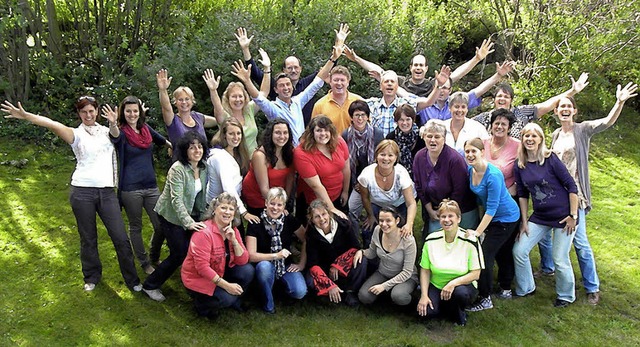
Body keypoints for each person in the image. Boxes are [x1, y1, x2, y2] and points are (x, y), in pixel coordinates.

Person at [2, 97, 142, 292]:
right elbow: (52, 124)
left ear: (97, 110)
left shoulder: (106, 131)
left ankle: (133, 280)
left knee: (120, 237)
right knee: (88, 238)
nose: (88, 115)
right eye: (84, 112)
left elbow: (119, 135)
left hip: (107, 192)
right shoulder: (75, 134)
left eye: (91, 111)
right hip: (82, 192)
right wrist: (26, 116)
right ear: (79, 114)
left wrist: (112, 122)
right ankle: (92, 276)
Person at [536, 82, 637, 306]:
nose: (564, 109)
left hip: (577, 195)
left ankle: (592, 287)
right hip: (556, 195)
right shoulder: (554, 134)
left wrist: (619, 102)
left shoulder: (582, 130)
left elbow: (606, 122)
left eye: (568, 107)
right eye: (560, 106)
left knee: (580, 242)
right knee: (544, 234)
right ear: (556, 111)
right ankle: (548, 268)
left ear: (574, 111)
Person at [512, 123, 579, 308]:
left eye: (534, 136)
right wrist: (524, 222)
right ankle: (526, 287)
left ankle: (565, 296)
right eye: (526, 136)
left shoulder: (551, 159)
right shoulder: (520, 165)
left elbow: (571, 186)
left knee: (559, 258)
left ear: (540, 139)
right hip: (540, 216)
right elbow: (523, 194)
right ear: (522, 139)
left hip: (564, 217)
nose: (530, 139)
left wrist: (573, 215)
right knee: (519, 250)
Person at [106, 96, 171, 275]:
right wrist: (112, 123)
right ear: (123, 113)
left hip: (151, 186)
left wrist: (173, 146)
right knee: (136, 226)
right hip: (130, 189)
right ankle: (144, 263)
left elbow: (159, 139)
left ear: (140, 112)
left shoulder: (145, 129)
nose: (132, 114)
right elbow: (115, 136)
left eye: (135, 111)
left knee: (161, 224)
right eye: (128, 111)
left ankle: (154, 254)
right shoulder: (122, 132)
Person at [236, 24, 350, 126]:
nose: (293, 71)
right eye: (290, 68)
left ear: (300, 69)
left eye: (296, 67)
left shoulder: (299, 98)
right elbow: (256, 79)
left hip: (306, 138)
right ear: (284, 70)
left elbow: (323, 75)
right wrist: (246, 50)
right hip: (282, 140)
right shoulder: (275, 94)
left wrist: (338, 47)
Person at [141, 131, 209, 302]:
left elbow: (201, 196)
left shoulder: (203, 167)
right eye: (192, 147)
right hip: (170, 215)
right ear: (185, 150)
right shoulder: (177, 169)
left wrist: (201, 217)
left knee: (180, 246)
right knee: (179, 253)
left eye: (199, 147)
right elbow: (176, 200)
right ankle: (150, 285)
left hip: (189, 214)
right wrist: (189, 223)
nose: (197, 151)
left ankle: (156, 257)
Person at [232, 44, 339, 146]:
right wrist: (247, 81)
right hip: (284, 154)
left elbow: (317, 81)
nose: (286, 88)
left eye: (288, 84)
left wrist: (333, 58)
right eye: (282, 86)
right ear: (276, 90)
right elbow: (258, 97)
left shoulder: (297, 101)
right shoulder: (273, 108)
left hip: (302, 151)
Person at [462, 138, 520, 312]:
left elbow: (492, 208)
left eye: (474, 151)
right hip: (491, 217)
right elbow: (481, 200)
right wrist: (482, 224)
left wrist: (478, 232)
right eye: (467, 151)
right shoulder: (470, 170)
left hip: (507, 217)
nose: (470, 155)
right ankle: (505, 288)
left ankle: (485, 297)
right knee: (500, 251)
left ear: (482, 152)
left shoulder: (493, 175)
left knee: (484, 255)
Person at [181, 192, 254, 319]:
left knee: (248, 270)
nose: (227, 212)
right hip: (199, 278)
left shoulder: (233, 230)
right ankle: (202, 305)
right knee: (227, 298)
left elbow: (243, 260)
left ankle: (233, 299)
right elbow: (202, 268)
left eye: (231, 209)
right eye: (223, 207)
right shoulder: (204, 233)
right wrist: (227, 286)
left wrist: (234, 241)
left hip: (220, 271)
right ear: (214, 209)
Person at [344, 39, 495, 97]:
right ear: (410, 68)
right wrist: (356, 58)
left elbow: (456, 75)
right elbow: (380, 71)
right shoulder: (401, 82)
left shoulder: (432, 84)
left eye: (421, 65)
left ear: (426, 68)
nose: (418, 68)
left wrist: (477, 58)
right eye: (415, 65)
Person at [417, 200, 484, 326]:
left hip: (462, 286)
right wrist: (424, 295)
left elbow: (476, 274)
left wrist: (453, 284)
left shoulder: (470, 240)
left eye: (450, 216)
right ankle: (442, 305)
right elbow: (425, 270)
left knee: (460, 294)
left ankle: (458, 311)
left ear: (458, 219)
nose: (446, 220)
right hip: (437, 284)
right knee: (427, 313)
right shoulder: (431, 239)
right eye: (443, 216)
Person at [246, 188, 307, 313]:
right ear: (266, 203)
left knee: (300, 291)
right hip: (264, 264)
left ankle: (279, 290)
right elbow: (251, 255)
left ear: (284, 206)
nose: (275, 208)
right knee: (264, 268)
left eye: (279, 205)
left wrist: (301, 264)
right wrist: (276, 255)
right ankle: (268, 304)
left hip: (285, 265)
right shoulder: (256, 222)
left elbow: (307, 239)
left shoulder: (288, 220)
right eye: (272, 203)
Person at [472, 73, 590, 139]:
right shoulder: (484, 118)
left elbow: (548, 104)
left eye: (506, 97)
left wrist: (572, 91)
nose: (502, 99)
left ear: (511, 100)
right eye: (499, 96)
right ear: (494, 99)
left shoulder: (521, 112)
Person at [413, 120, 478, 236]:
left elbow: (460, 191)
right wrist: (430, 210)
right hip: (434, 209)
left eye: (437, 137)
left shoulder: (454, 159)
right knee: (434, 239)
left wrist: (444, 212)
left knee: (463, 241)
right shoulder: (419, 157)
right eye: (429, 136)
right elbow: (419, 186)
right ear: (424, 137)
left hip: (461, 208)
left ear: (444, 139)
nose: (432, 140)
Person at [305, 199, 367, 306]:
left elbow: (355, 247)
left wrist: (338, 265)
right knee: (310, 280)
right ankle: (332, 293)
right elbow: (312, 263)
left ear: (329, 213)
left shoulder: (344, 225)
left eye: (324, 214)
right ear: (312, 219)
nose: (322, 219)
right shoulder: (311, 234)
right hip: (325, 269)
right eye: (317, 216)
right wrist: (329, 285)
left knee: (362, 260)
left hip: (345, 265)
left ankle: (350, 292)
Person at [353, 207, 418, 306]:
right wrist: (361, 252)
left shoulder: (408, 240)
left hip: (405, 277)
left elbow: (407, 272)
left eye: (388, 221)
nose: (384, 224)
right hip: (383, 273)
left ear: (397, 220)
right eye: (381, 220)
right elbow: (372, 253)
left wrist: (384, 286)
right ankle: (387, 295)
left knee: (399, 296)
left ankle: (412, 298)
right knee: (364, 296)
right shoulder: (378, 230)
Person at [357, 140, 417, 246]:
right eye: (382, 154)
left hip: (400, 204)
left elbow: (411, 203)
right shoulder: (365, 175)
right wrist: (371, 216)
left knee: (402, 233)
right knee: (368, 231)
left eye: (390, 155)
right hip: (378, 204)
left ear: (396, 158)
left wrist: (409, 224)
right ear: (376, 156)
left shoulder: (401, 174)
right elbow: (365, 198)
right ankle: (370, 255)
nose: (386, 158)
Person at [202, 60, 270, 154]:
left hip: (253, 162)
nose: (238, 100)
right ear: (228, 99)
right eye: (234, 96)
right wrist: (213, 90)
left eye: (240, 96)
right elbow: (217, 107)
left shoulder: (249, 109)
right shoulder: (224, 117)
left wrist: (267, 69)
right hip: (234, 162)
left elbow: (264, 94)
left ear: (245, 97)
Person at [417, 61, 515, 124]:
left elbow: (480, 90)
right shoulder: (424, 105)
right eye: (439, 87)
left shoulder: (458, 103)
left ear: (450, 90)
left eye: (445, 88)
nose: (441, 91)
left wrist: (498, 75)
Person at [343, 101, 385, 244]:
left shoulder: (377, 134)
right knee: (352, 209)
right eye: (356, 115)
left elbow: (382, 160)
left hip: (374, 181)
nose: (360, 118)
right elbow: (347, 163)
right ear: (351, 118)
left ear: (368, 117)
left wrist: (367, 183)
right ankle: (355, 241)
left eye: (363, 115)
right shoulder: (345, 135)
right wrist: (356, 183)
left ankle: (373, 242)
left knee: (374, 211)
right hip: (356, 183)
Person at [294, 115, 350, 221]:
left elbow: (346, 167)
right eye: (319, 130)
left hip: (337, 194)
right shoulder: (301, 153)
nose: (323, 134)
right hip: (314, 202)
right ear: (311, 133)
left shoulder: (339, 141)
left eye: (326, 130)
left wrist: (345, 191)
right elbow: (316, 186)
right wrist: (332, 209)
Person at [206, 118, 260, 227]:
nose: (236, 137)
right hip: (217, 209)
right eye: (231, 134)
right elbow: (228, 187)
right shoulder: (218, 157)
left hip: (232, 206)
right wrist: (244, 212)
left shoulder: (237, 153)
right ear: (224, 135)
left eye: (238, 133)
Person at [156, 69, 217, 156]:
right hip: (182, 167)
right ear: (175, 102)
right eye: (180, 100)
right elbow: (166, 108)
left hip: (203, 165)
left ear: (192, 101)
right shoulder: (173, 120)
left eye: (187, 99)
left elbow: (220, 120)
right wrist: (163, 90)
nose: (184, 102)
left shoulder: (198, 117)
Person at [242, 118, 295, 216]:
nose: (282, 136)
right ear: (270, 134)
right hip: (259, 198)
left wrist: (284, 202)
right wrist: (278, 207)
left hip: (279, 197)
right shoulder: (260, 156)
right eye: (278, 133)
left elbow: (290, 179)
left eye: (285, 133)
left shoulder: (290, 152)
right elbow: (264, 190)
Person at [311, 65, 363, 134]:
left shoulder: (359, 101)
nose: (339, 83)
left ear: (348, 82)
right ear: (330, 82)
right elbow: (313, 131)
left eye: (342, 80)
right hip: (331, 144)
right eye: (336, 80)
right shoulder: (320, 105)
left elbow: (367, 127)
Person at [483, 109, 520, 196]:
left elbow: (524, 173)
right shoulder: (482, 144)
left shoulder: (518, 146)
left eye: (503, 124)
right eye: (496, 123)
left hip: (508, 196)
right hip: (484, 195)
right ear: (491, 126)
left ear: (509, 128)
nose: (499, 127)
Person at [385, 104, 425, 176]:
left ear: (413, 120)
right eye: (401, 120)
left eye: (408, 119)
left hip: (419, 176)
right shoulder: (391, 138)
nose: (404, 123)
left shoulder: (421, 137)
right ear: (396, 121)